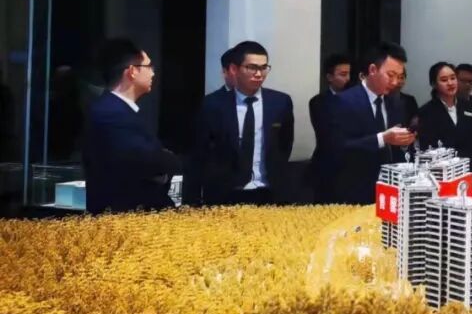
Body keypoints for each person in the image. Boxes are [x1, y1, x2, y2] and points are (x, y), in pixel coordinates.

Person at [184, 41, 295, 205]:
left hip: (269, 191)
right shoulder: (213, 104)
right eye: (252, 67)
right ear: (234, 69)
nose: (259, 74)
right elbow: (200, 152)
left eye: (264, 68)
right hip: (225, 194)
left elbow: (285, 144)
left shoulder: (280, 102)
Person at [83, 38, 181, 214]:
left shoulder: (120, 110)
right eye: (149, 66)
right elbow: (146, 161)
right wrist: (168, 160)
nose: (153, 73)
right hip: (122, 217)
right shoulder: (109, 112)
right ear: (132, 71)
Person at [321, 41, 416, 204]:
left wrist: (404, 141)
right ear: (372, 70)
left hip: (390, 190)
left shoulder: (396, 103)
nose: (395, 82)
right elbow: (336, 147)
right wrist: (382, 138)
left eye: (399, 76)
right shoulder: (344, 101)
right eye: (390, 75)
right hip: (353, 190)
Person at [417, 62, 472, 168]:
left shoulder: (470, 107)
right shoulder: (426, 112)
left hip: (471, 168)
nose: (450, 83)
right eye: (444, 80)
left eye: (453, 78)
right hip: (442, 170)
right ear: (434, 84)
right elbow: (428, 150)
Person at [307, 53, 351, 197]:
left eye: (349, 74)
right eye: (343, 74)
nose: (347, 78)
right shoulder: (318, 102)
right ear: (330, 77)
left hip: (353, 167)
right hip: (327, 165)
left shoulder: (357, 99)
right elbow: (327, 134)